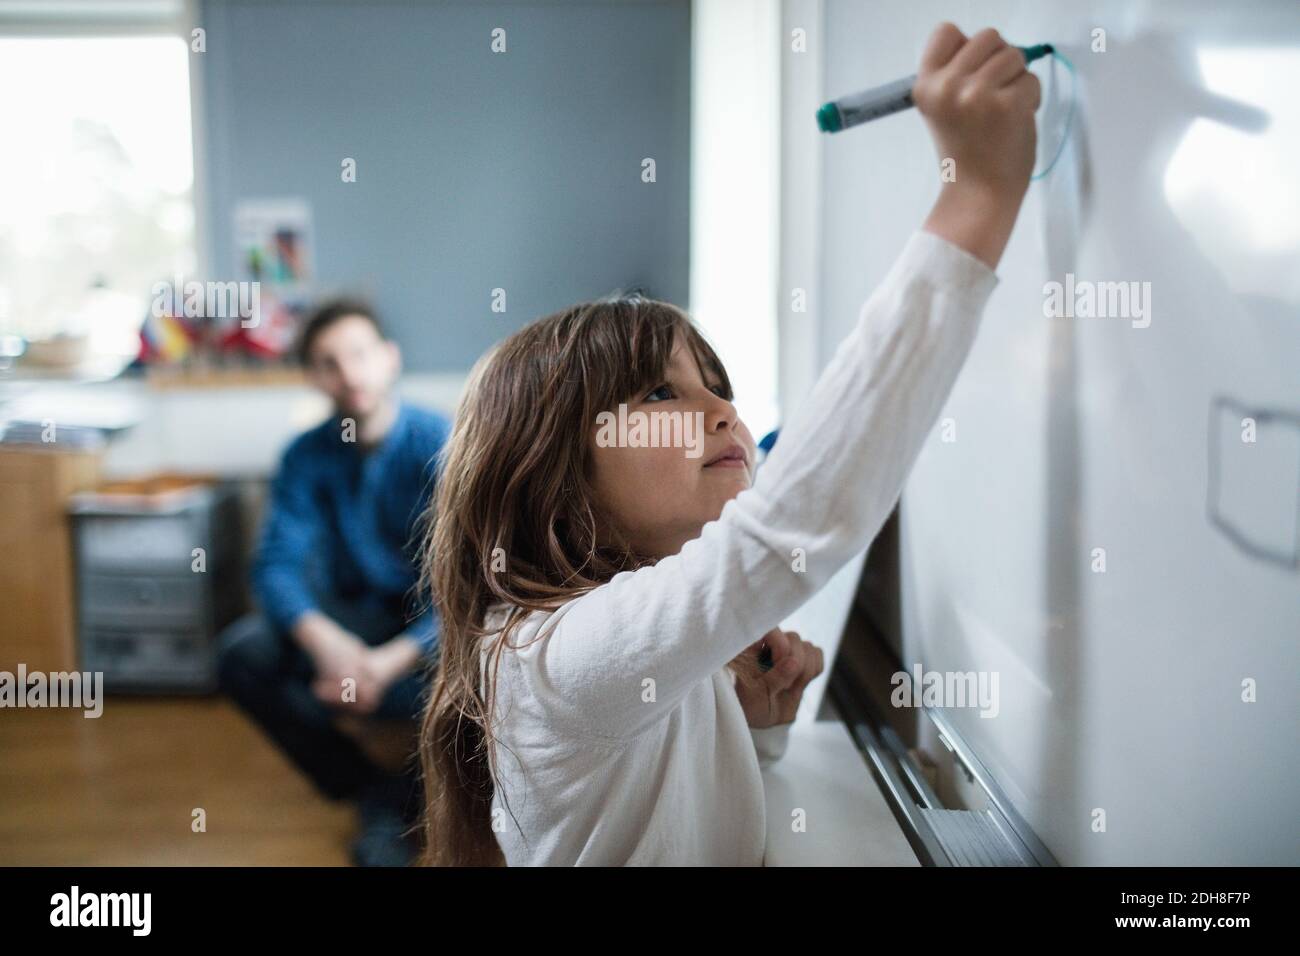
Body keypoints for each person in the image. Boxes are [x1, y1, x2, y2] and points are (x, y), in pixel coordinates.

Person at [414, 23, 1039, 866]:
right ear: (552, 473)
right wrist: (979, 197)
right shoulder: (553, 656)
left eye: (721, 386)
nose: (722, 411)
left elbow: (684, 801)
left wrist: (760, 724)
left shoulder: (630, 627)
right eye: (662, 392)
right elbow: (788, 530)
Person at [216, 298, 450, 866]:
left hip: (437, 633)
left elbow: (478, 589)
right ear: (312, 377)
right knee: (242, 655)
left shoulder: (446, 446)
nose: (349, 374)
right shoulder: (305, 457)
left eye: (359, 355)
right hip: (354, 624)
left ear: (389, 359)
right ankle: (377, 792)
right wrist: (330, 645)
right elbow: (274, 566)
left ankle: (427, 800)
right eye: (328, 362)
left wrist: (388, 661)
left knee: (496, 657)